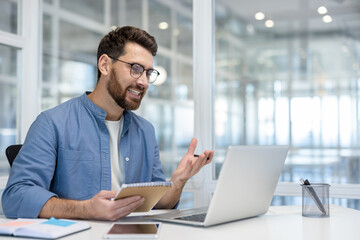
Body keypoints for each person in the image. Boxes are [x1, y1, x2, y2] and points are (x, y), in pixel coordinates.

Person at [1, 26, 213, 220]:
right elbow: (15, 196)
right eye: (136, 68)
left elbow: (157, 203)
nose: (144, 82)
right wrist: (85, 209)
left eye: (148, 73)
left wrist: (178, 181)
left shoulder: (145, 131)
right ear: (104, 65)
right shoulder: (52, 123)